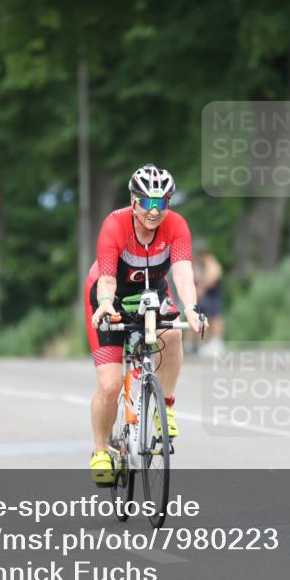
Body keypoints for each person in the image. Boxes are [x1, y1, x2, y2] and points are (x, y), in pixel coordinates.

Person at [84, 164, 204, 485]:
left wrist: (191, 309)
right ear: (133, 201)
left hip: (153, 292)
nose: (154, 211)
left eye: (161, 202)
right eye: (147, 202)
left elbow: (182, 273)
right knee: (110, 385)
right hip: (109, 296)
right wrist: (106, 303)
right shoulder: (115, 225)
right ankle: (100, 450)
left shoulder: (176, 225)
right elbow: (107, 278)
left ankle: (165, 407)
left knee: (172, 334)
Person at [192, 239, 225, 356]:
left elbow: (212, 277)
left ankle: (217, 341)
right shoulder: (198, 263)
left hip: (212, 294)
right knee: (203, 317)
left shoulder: (211, 262)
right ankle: (204, 343)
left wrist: (201, 287)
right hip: (204, 296)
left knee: (215, 316)